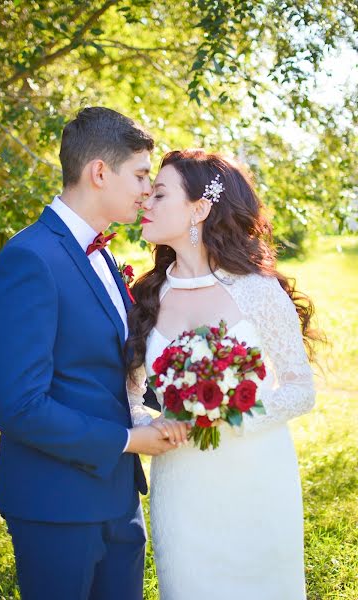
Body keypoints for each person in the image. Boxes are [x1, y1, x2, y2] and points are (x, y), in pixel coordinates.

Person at [0, 106, 181, 600]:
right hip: (57, 505)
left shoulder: (104, 255)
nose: (145, 191)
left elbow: (108, 368)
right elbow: (19, 407)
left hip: (118, 498)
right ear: (99, 172)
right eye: (139, 175)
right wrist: (128, 440)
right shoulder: (30, 258)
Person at [127, 149, 317, 600]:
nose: (145, 204)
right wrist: (150, 426)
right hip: (182, 482)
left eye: (158, 194)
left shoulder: (257, 290)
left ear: (200, 208)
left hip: (256, 477)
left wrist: (226, 415)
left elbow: (300, 389)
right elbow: (131, 398)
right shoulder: (146, 297)